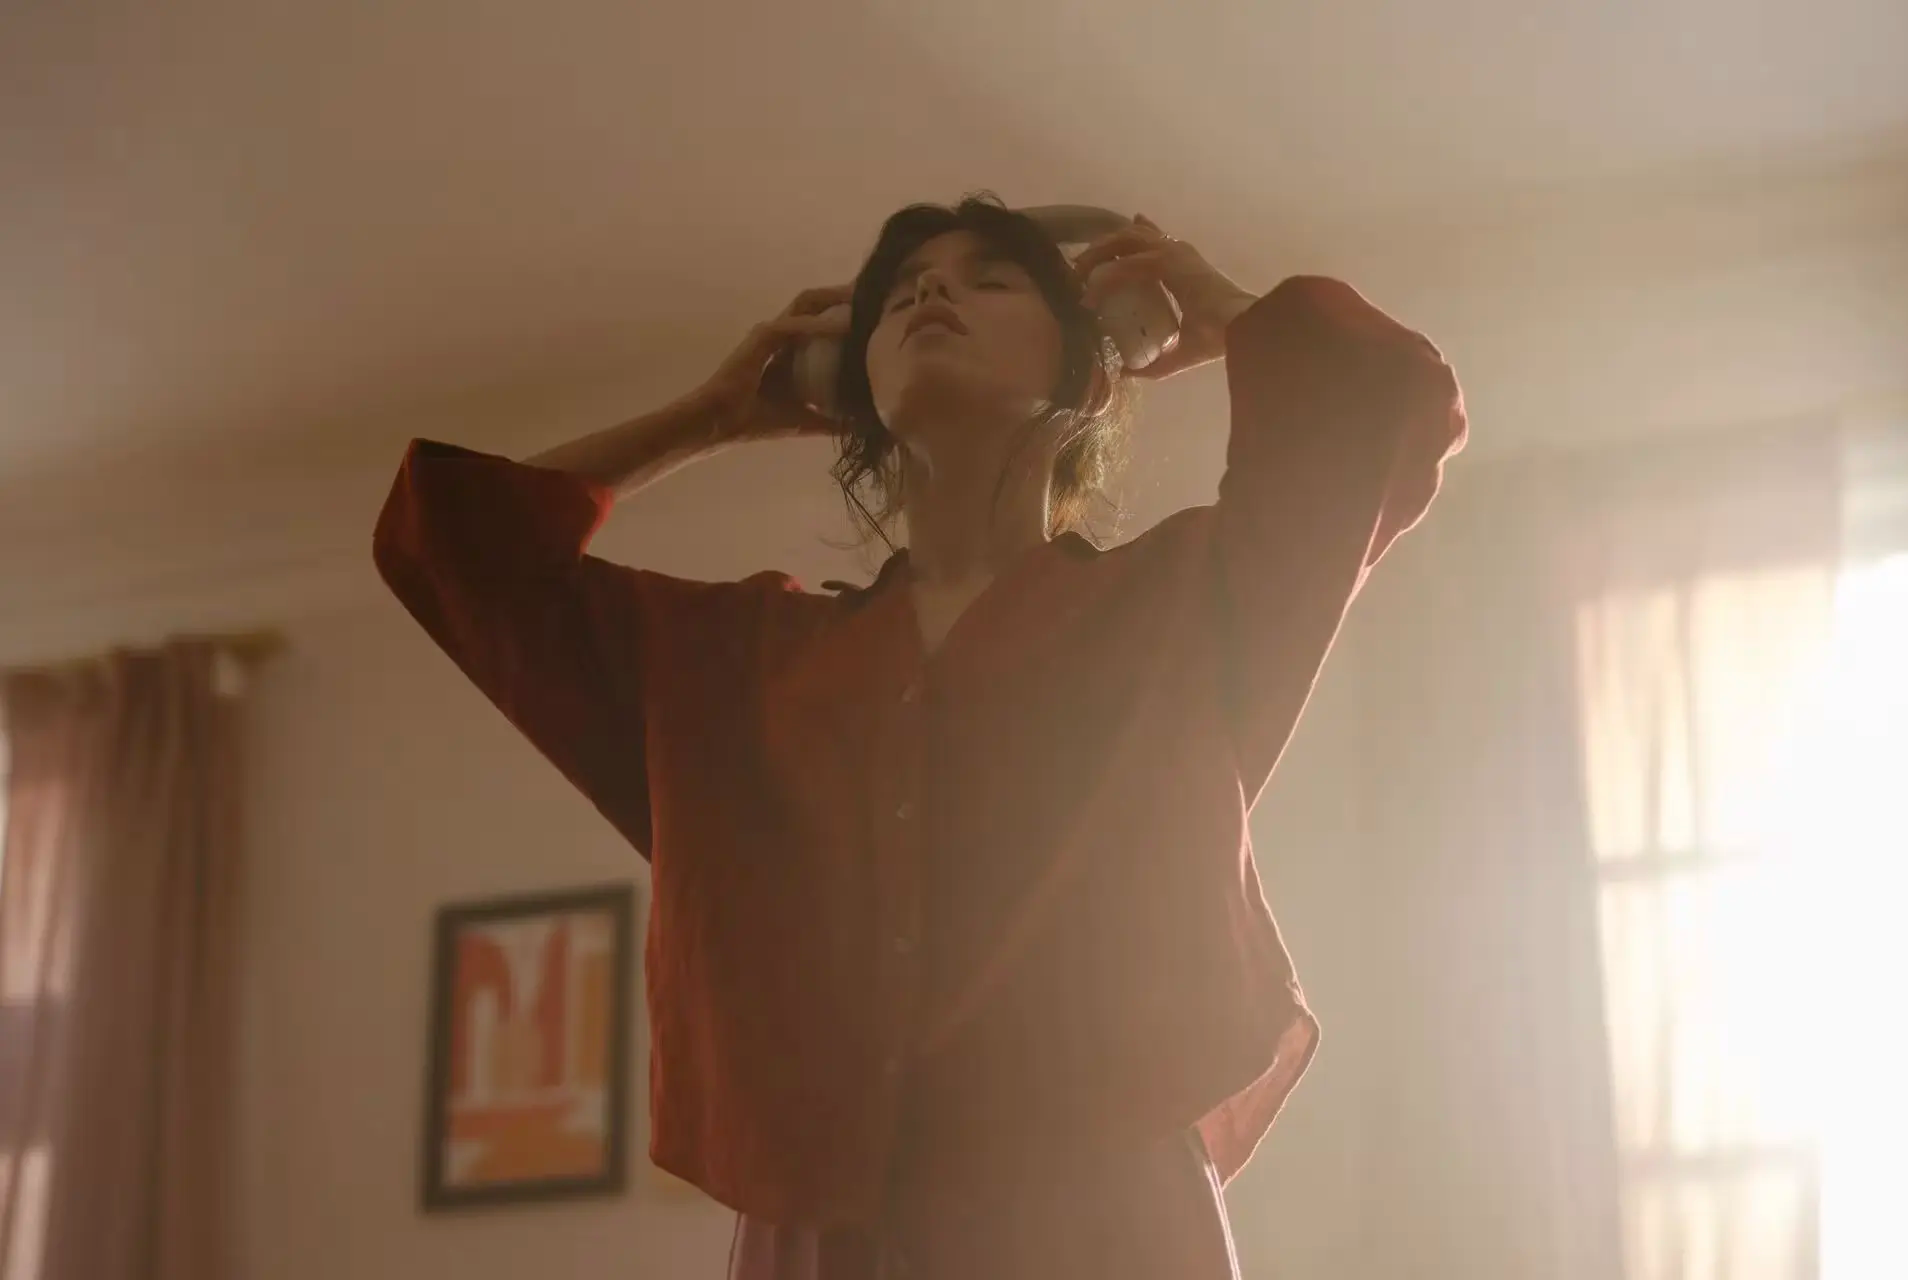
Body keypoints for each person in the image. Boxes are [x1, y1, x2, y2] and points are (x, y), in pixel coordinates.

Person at [374, 196, 1467, 1279]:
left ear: (1092, 370)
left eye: (991, 277)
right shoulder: (739, 666)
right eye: (901, 291)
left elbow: (1385, 405)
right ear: (849, 387)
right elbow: (452, 548)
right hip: (824, 1241)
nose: (934, 291)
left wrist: (1216, 307)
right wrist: (711, 413)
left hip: (1107, 1229)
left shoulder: (1185, 604)